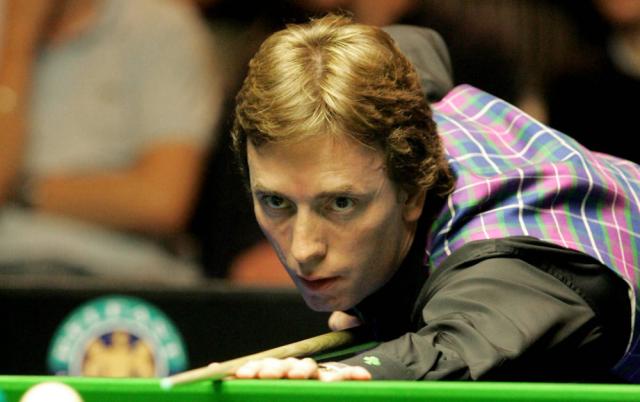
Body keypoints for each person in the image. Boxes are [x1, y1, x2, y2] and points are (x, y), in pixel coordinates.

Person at [222, 14, 640, 382]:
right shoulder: (393, 96)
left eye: (341, 204)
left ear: (412, 193)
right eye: (276, 202)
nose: (303, 249)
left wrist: (345, 376)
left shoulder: (509, 266)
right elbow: (415, 43)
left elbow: (454, 349)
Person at [0, 0, 222, 281]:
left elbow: (160, 202)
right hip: (7, 271)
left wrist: (20, 191)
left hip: (121, 275)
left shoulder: (160, 26)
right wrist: (17, 44)